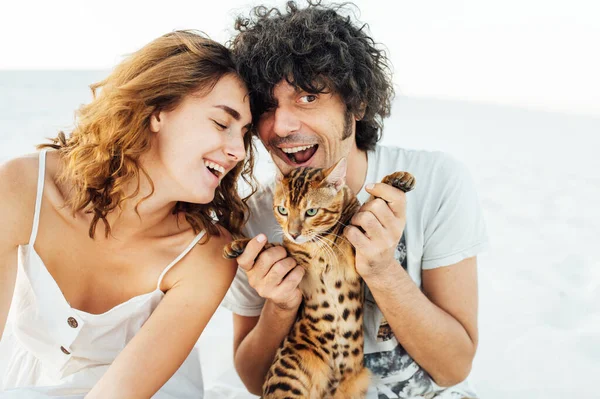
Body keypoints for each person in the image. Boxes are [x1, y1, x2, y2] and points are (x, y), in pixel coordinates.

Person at [222, 2, 489, 398]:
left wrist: (382, 270)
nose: (282, 125)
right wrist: (280, 306)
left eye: (307, 98)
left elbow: (452, 369)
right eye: (266, 107)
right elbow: (254, 381)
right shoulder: (256, 216)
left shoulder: (436, 181)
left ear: (358, 104)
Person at [0, 30, 254, 398]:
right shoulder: (23, 188)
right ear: (157, 112)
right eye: (221, 123)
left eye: (244, 134)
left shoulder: (207, 255)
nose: (238, 152)